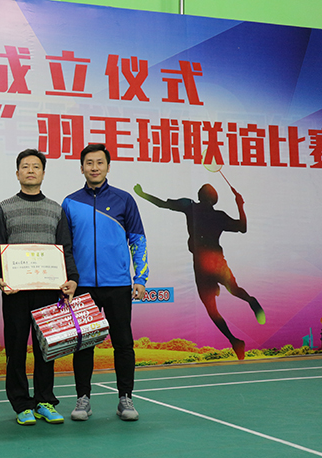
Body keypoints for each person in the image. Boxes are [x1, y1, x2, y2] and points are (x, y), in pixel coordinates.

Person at [0, 149, 78, 426]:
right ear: (17, 173)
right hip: (15, 292)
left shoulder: (56, 209)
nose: (30, 170)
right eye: (25, 166)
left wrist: (72, 278)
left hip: (49, 291)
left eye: (36, 166)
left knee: (46, 349)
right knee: (15, 350)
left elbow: (65, 248)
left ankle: (44, 401)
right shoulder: (4, 208)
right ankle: (21, 404)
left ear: (43, 173)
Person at [62, 144, 148, 422]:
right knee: (83, 345)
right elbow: (65, 247)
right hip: (82, 286)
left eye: (100, 162)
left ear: (108, 167)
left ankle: (125, 398)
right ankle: (83, 399)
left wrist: (140, 277)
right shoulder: (70, 202)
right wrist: (69, 279)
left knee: (123, 344)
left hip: (118, 284)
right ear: (81, 168)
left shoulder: (124, 200)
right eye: (89, 163)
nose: (95, 167)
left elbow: (138, 240)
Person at [133, 181, 265, 360]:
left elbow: (162, 204)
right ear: (214, 199)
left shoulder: (190, 206)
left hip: (203, 264)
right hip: (215, 261)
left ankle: (235, 339)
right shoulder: (218, 215)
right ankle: (249, 304)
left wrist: (142, 194)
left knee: (212, 309)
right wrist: (240, 205)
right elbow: (242, 227)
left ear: (200, 196)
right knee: (233, 291)